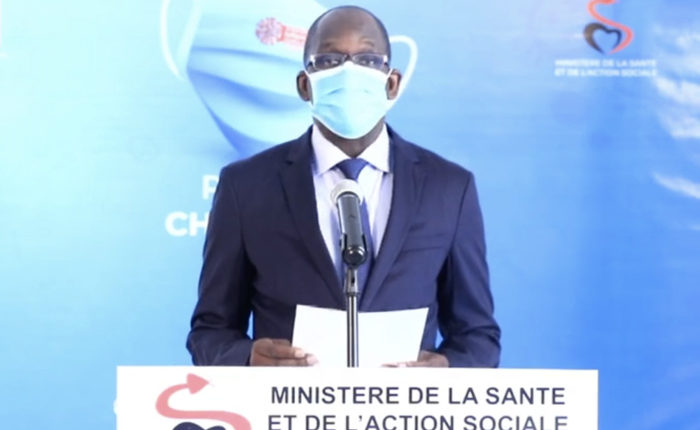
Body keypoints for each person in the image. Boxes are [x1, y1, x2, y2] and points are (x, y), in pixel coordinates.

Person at [187, 5, 500, 367]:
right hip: (285, 401)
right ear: (305, 85)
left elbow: (478, 337)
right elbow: (210, 332)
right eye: (329, 60)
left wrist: (445, 368)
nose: (349, 73)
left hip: (402, 403)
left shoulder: (449, 188)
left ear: (392, 83)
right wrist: (248, 358)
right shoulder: (246, 186)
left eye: (367, 59)